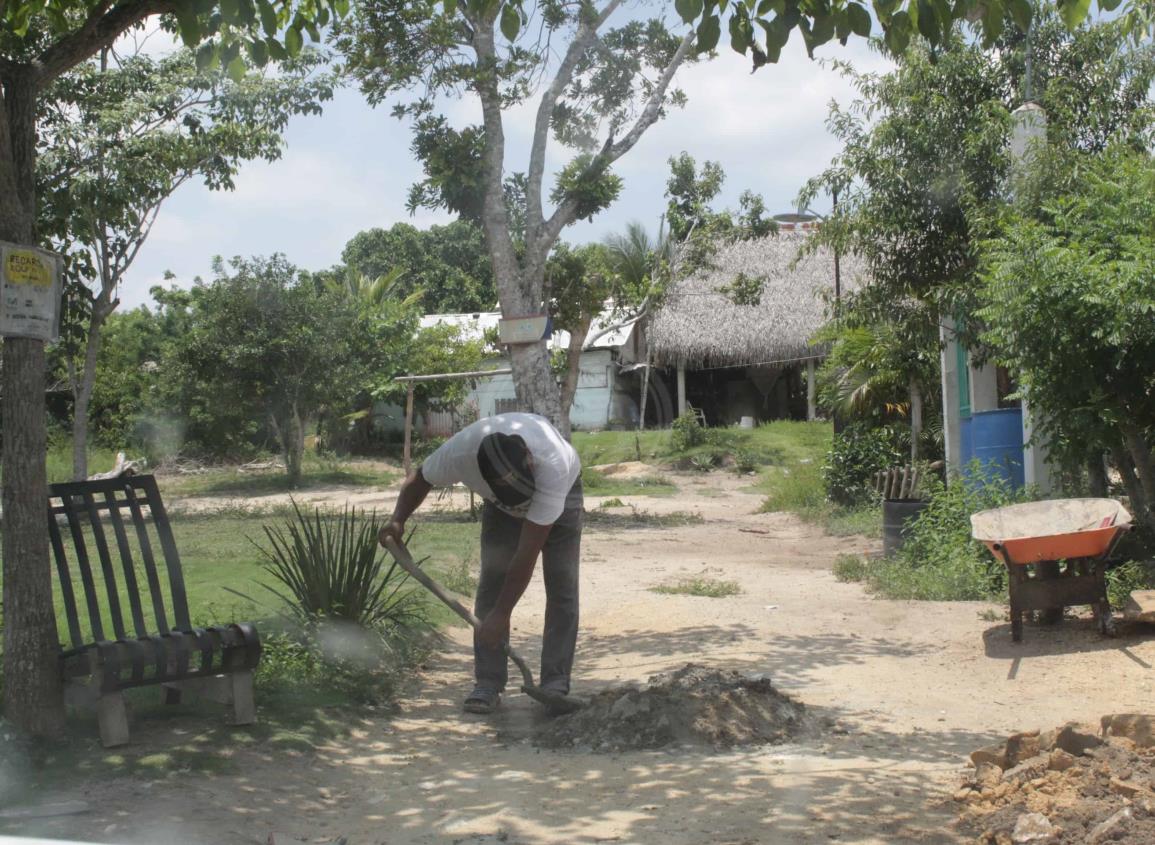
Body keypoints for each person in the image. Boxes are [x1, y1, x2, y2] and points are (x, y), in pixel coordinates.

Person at [379, 412, 582, 714]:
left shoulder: (553, 467)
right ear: (483, 477)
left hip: (562, 499)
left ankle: (555, 682)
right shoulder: (460, 455)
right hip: (500, 510)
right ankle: (488, 681)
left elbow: (525, 556)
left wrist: (502, 614)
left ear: (529, 460)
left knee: (561, 584)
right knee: (492, 582)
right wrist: (397, 520)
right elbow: (420, 479)